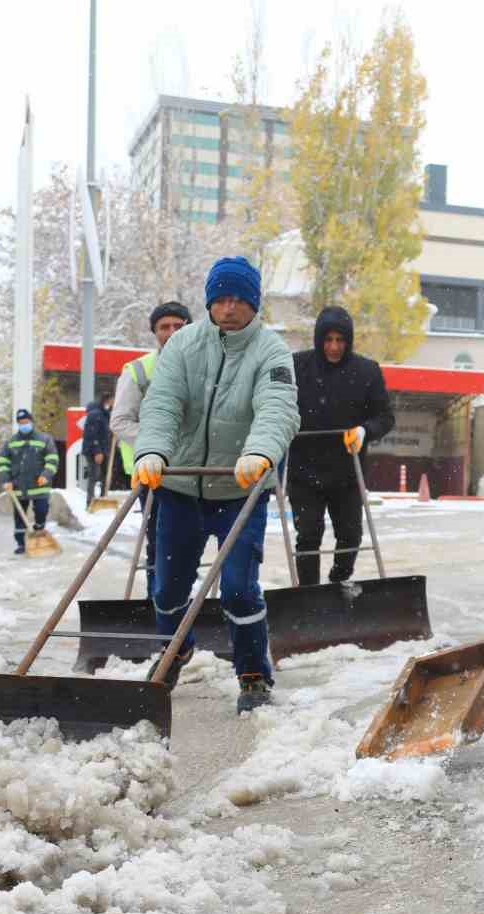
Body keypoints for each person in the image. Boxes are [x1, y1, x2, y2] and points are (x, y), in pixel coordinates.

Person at [132, 257, 300, 714]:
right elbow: (163, 405)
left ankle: (252, 674)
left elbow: (277, 408)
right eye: (220, 299)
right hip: (180, 488)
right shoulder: (183, 345)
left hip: (239, 490)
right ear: (209, 301)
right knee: (166, 590)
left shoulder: (271, 351)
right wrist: (152, 452)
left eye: (238, 300)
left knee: (240, 588)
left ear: (253, 303)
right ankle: (174, 649)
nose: (228, 309)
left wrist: (260, 453)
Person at [285, 306, 393, 586]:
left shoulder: (367, 371)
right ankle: (309, 594)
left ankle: (337, 581)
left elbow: (385, 417)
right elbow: (277, 406)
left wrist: (364, 430)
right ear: (319, 339)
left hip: (346, 471)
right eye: (328, 340)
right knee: (308, 535)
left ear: (349, 340)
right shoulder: (296, 366)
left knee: (351, 535)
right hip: (304, 470)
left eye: (340, 340)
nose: (334, 347)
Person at [113, 300, 190, 598]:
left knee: (191, 546)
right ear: (154, 332)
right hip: (154, 475)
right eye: (164, 327)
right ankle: (156, 607)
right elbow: (120, 421)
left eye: (178, 326)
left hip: (198, 471)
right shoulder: (139, 371)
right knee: (160, 546)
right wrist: (159, 443)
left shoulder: (209, 367)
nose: (171, 332)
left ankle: (185, 605)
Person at [0, 408, 60, 555]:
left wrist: (46, 474)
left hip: (40, 485)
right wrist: (6, 480)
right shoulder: (11, 442)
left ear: (31, 422)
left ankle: (39, 533)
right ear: (18, 424)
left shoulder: (44, 439)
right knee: (19, 516)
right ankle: (20, 543)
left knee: (41, 511)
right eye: (21, 423)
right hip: (18, 486)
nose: (24, 425)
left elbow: (52, 459)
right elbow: (3, 462)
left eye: (26, 422)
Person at [81, 399, 111, 504]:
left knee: (103, 475)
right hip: (95, 451)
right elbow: (92, 434)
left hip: (103, 449)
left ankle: (102, 499)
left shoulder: (105, 414)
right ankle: (91, 501)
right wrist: (97, 451)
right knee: (94, 475)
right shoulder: (96, 414)